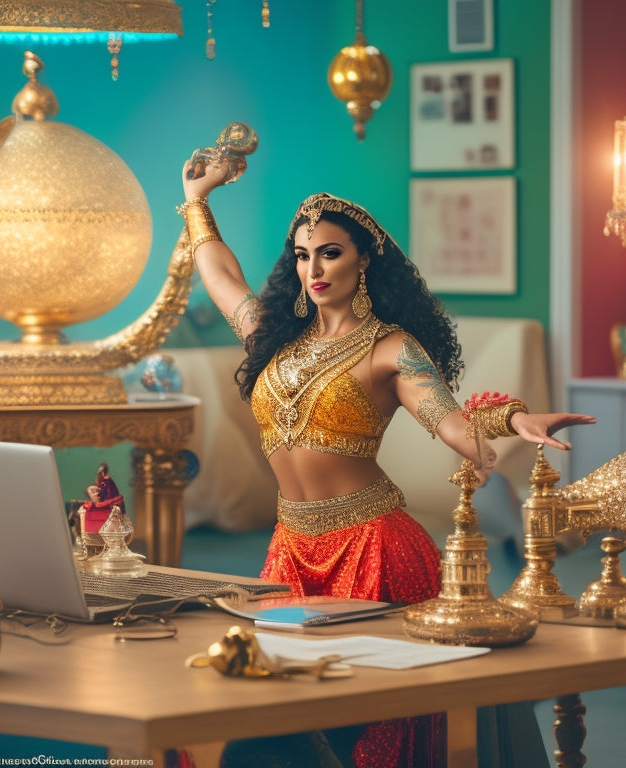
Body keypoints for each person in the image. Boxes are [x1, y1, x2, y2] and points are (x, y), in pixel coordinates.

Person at [177, 160, 596, 768]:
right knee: (278, 714)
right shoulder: (273, 336)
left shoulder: (390, 347)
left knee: (365, 724)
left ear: (363, 259)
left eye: (328, 254)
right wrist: (197, 200)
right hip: (289, 546)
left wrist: (511, 420)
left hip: (371, 548)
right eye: (301, 256)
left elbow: (450, 422)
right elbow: (218, 273)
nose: (313, 270)